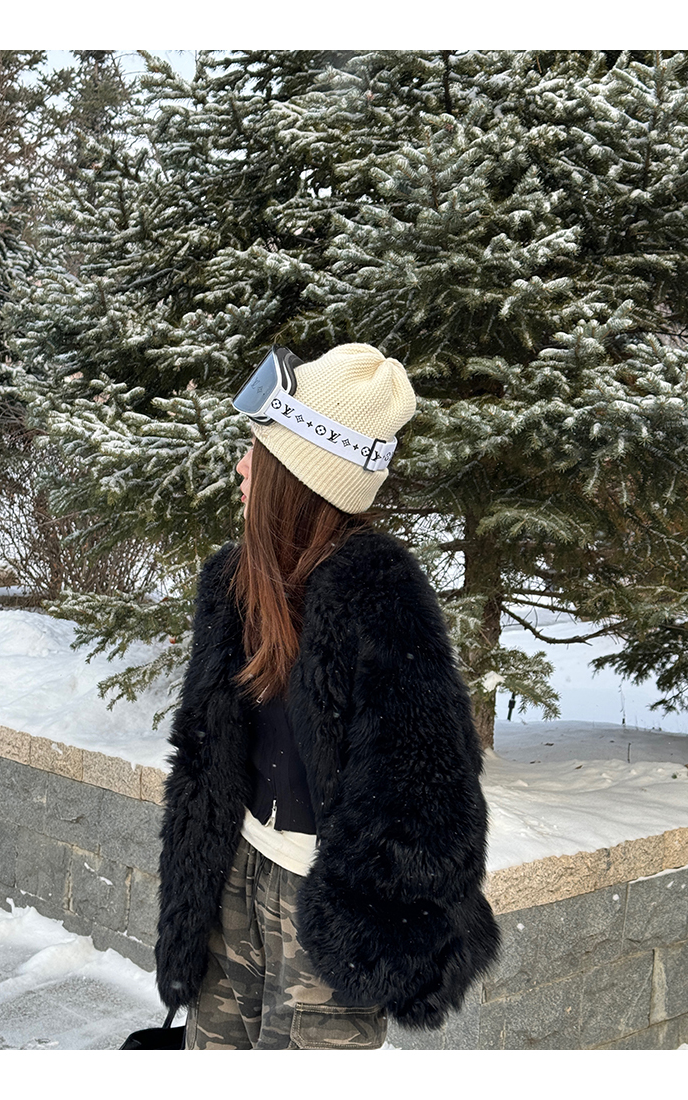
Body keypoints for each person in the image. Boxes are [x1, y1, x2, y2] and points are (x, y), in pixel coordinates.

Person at [155, 343, 500, 1050]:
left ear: (299, 476)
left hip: (324, 907)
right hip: (230, 878)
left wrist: (366, 924)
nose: (241, 466)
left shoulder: (380, 599)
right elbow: (206, 756)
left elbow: (433, 796)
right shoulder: (236, 585)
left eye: (258, 452)